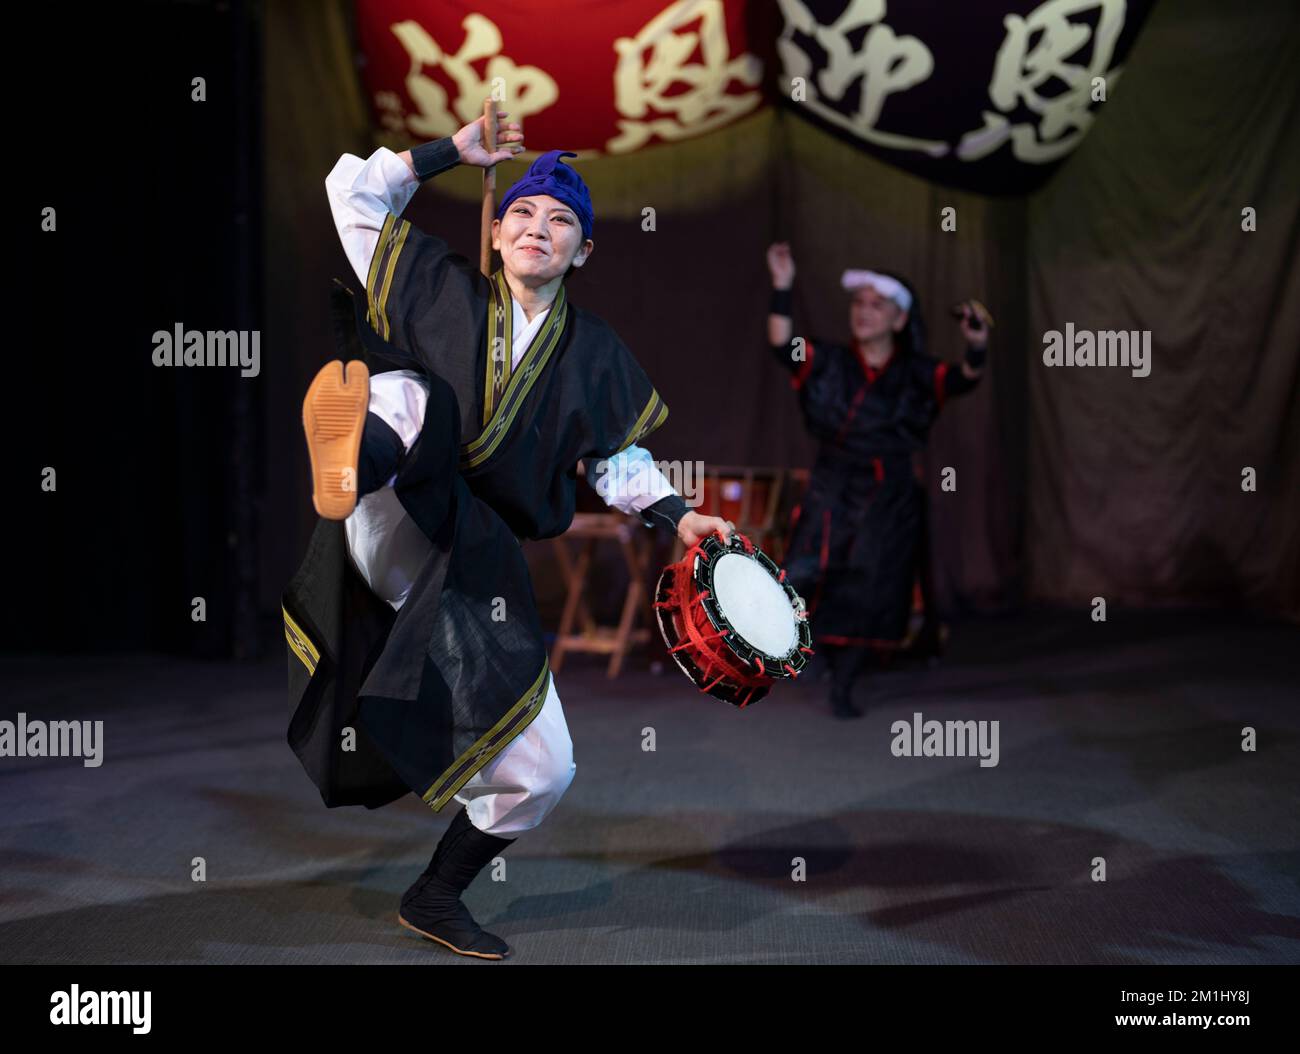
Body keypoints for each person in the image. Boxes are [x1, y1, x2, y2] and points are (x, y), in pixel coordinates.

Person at [283, 111, 732, 960]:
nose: (540, 228)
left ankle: (436, 894)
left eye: (562, 221)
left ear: (583, 252)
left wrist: (682, 517)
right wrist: (451, 152)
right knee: (406, 392)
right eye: (524, 213)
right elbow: (351, 191)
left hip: (467, 558)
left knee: (545, 770)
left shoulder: (593, 353)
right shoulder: (441, 283)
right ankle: (348, 456)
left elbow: (617, 461)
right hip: (392, 506)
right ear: (495, 232)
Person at [764, 242, 990, 719]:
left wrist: (976, 343)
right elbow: (783, 344)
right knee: (806, 571)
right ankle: (815, 652)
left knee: (873, 581)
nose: (864, 313)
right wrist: (783, 286)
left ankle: (846, 679)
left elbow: (964, 377)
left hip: (889, 490)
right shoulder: (828, 360)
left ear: (899, 319)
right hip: (833, 482)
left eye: (877, 305)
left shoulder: (917, 372)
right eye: (859, 304)